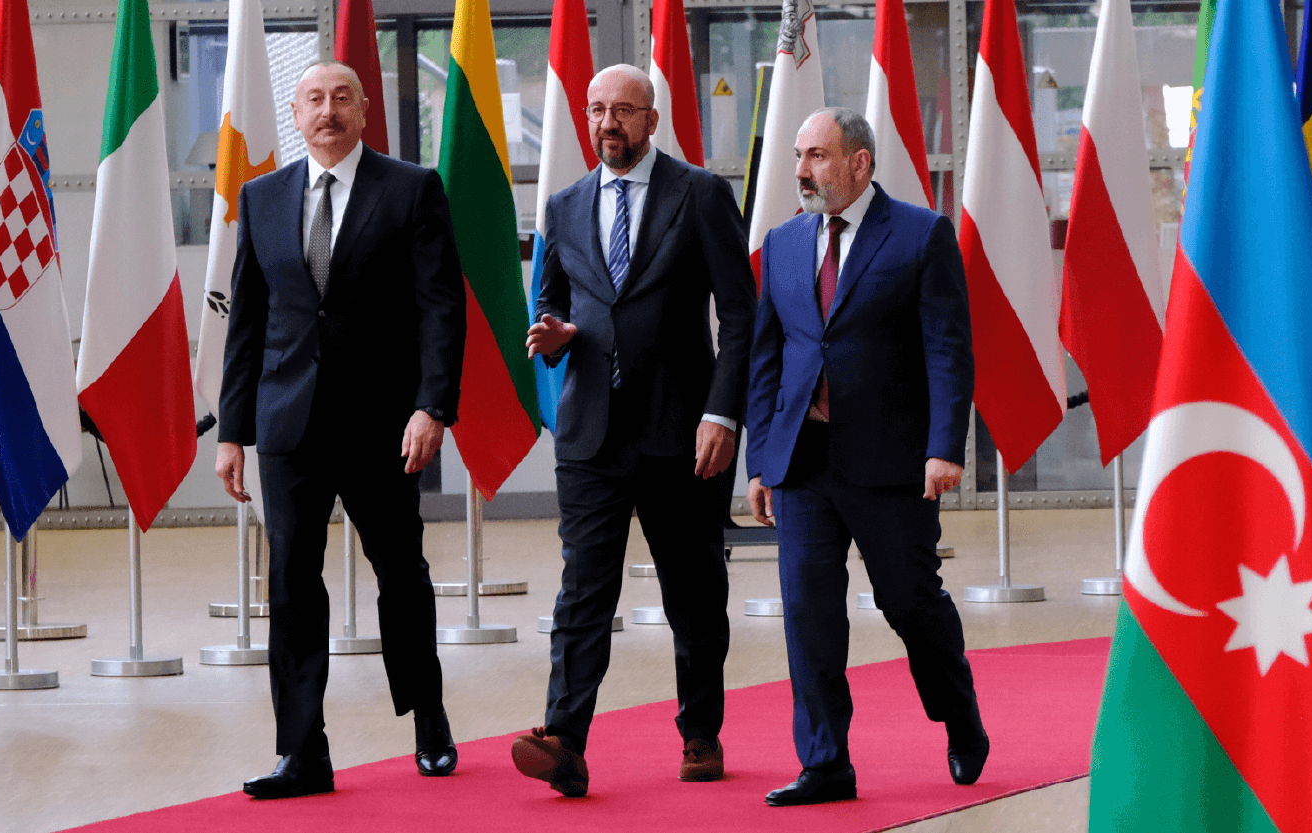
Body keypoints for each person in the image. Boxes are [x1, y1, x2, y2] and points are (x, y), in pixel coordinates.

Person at [215, 60, 465, 800]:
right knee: (292, 581)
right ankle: (302, 751)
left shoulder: (411, 188)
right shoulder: (261, 197)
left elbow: (440, 307)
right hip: (288, 423)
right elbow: (248, 326)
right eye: (315, 100)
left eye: (342, 98)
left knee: (401, 575)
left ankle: (429, 717)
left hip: (384, 424)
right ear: (297, 113)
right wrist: (232, 431)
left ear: (364, 110)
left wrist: (433, 406)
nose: (329, 111)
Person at [508, 65, 753, 798]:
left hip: (684, 432)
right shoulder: (564, 204)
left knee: (694, 591)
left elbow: (740, 315)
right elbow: (552, 303)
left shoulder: (701, 195)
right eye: (596, 111)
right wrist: (551, 334)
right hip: (592, 435)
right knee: (584, 590)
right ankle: (565, 740)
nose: (607, 123)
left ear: (652, 120)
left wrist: (722, 412)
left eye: (622, 110)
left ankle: (701, 731)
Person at [744, 107, 986, 807]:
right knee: (807, 610)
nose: (801, 170)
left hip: (892, 462)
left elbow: (948, 348)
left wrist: (945, 448)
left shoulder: (920, 235)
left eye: (817, 155)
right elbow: (768, 356)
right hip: (804, 462)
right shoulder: (784, 242)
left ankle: (958, 713)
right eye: (798, 155)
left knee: (909, 602)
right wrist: (762, 458)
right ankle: (825, 761)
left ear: (860, 163)